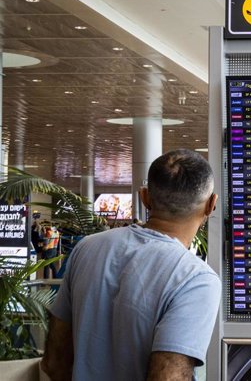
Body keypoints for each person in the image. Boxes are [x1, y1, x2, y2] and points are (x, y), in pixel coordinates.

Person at [42, 149, 222, 381]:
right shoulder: (196, 279)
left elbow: (54, 363)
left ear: (145, 197)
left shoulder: (87, 248)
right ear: (210, 205)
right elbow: (169, 377)